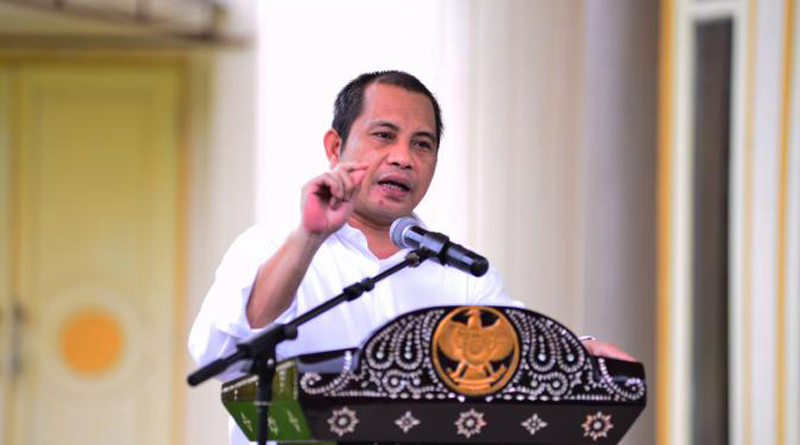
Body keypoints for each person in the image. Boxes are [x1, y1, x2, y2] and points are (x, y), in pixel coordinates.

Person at [188, 70, 633, 445]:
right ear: (335, 148)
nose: (403, 158)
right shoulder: (270, 246)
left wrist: (579, 352)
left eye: (422, 144)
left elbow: (515, 354)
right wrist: (310, 236)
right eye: (384, 136)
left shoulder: (462, 275)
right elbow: (219, 352)